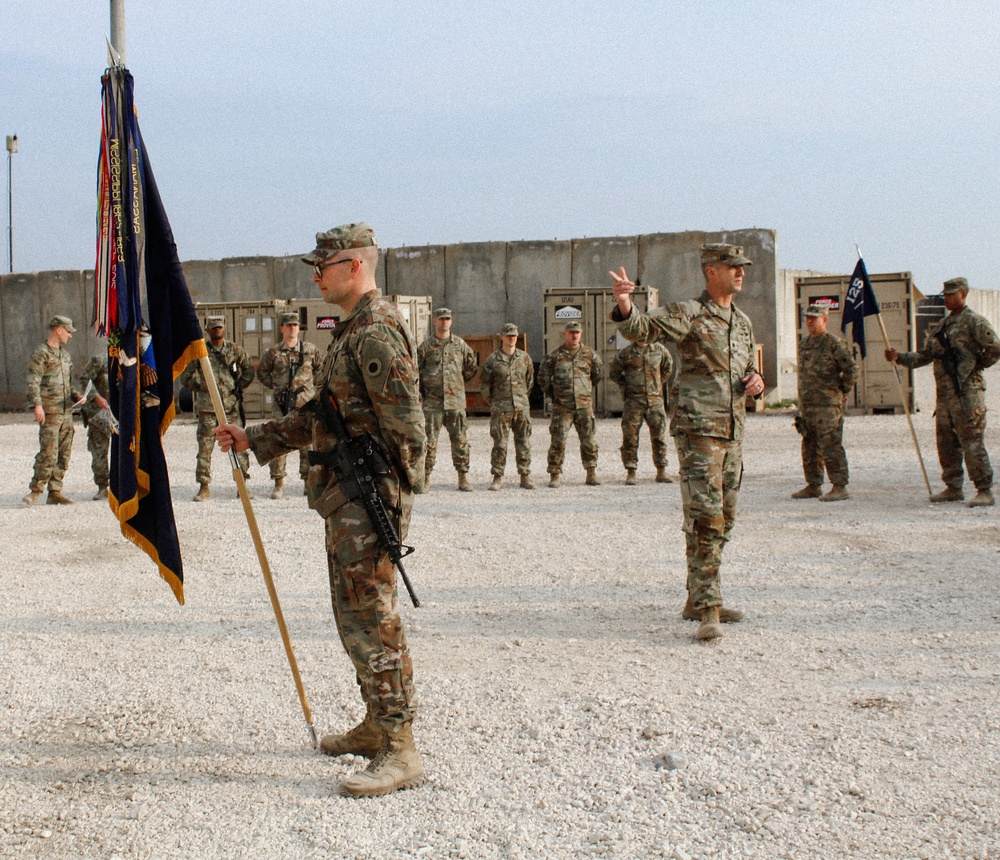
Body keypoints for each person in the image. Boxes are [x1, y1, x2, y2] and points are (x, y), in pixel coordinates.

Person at [214, 222, 426, 798]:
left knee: (372, 618)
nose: (315, 275)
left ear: (354, 266)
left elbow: (410, 428)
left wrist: (392, 497)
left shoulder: (378, 331)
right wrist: (253, 438)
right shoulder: (351, 332)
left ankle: (401, 748)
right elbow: (321, 416)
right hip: (347, 495)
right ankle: (377, 724)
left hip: (368, 497)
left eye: (323, 265)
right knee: (351, 614)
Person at [610, 244, 765, 641]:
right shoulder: (689, 314)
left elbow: (748, 369)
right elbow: (641, 330)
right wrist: (626, 304)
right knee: (705, 519)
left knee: (724, 519)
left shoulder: (743, 322)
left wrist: (757, 383)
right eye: (733, 267)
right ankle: (708, 607)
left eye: (742, 267)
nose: (741, 273)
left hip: (733, 434)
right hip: (700, 433)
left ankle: (697, 598)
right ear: (711, 271)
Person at [886, 277, 1000, 507]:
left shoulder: (974, 322)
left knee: (972, 442)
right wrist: (900, 358)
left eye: (952, 294)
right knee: (946, 443)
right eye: (945, 294)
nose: (947, 298)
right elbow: (926, 356)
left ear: (964, 294)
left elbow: (995, 348)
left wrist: (975, 366)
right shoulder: (942, 327)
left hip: (968, 394)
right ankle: (953, 487)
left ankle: (984, 490)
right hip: (946, 397)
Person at [24, 315, 106, 506]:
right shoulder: (42, 354)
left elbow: (68, 385)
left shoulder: (65, 356)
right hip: (51, 411)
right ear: (58, 330)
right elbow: (33, 381)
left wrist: (78, 396)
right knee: (48, 452)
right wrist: (37, 405)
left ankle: (55, 490)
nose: (70, 336)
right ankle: (35, 491)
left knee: (64, 453)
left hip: (66, 412)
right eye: (68, 332)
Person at [178, 316, 255, 501]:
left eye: (219, 327)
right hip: (208, 408)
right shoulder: (200, 351)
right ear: (207, 330)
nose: (216, 330)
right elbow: (185, 377)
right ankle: (204, 487)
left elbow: (249, 370)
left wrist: (235, 388)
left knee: (239, 446)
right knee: (205, 448)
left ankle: (242, 485)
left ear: (224, 329)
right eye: (213, 328)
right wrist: (203, 387)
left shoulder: (234, 350)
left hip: (230, 407)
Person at [791, 304, 859, 502]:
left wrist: (841, 391)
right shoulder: (804, 344)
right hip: (808, 405)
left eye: (814, 318)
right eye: (808, 318)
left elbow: (852, 370)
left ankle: (839, 486)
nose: (810, 321)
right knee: (809, 446)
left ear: (825, 320)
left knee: (831, 445)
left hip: (828, 406)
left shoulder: (833, 344)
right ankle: (813, 485)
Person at [256, 311, 322, 499]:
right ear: (282, 328)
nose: (292, 328)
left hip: (305, 405)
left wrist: (311, 389)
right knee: (278, 441)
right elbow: (262, 373)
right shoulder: (274, 352)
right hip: (281, 404)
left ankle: (308, 483)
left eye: (295, 325)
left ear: (299, 329)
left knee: (308, 444)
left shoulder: (310, 350)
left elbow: (322, 369)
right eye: (289, 325)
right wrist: (277, 388)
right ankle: (278, 482)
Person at [417, 308, 478, 491]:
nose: (444, 322)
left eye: (447, 319)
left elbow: (471, 367)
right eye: (441, 319)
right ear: (434, 321)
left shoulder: (460, 345)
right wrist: (425, 391)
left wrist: (456, 385)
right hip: (433, 404)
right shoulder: (425, 347)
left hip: (455, 403)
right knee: (428, 442)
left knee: (460, 440)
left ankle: (462, 477)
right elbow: (416, 372)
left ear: (451, 322)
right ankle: (425, 477)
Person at [537, 320, 603, 487]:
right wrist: (556, 396)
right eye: (571, 332)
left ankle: (591, 472)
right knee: (558, 441)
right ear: (565, 334)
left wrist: (584, 391)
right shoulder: (554, 356)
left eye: (577, 333)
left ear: (580, 334)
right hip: (562, 406)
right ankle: (555, 474)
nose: (574, 336)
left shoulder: (590, 354)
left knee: (588, 440)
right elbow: (543, 379)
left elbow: (597, 375)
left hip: (583, 406)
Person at [609, 336, 674, 485]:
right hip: (634, 401)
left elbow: (668, 368)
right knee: (630, 437)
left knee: (659, 436)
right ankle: (631, 471)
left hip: (655, 401)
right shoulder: (625, 353)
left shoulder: (659, 350)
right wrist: (626, 386)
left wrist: (656, 383)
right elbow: (614, 373)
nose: (643, 335)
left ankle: (661, 471)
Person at [480, 323, 535, 490]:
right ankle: (497, 477)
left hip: (521, 408)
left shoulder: (524, 358)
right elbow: (485, 385)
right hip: (501, 409)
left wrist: (522, 399)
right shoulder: (493, 359)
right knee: (500, 444)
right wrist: (496, 402)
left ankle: (525, 476)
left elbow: (529, 381)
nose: (511, 338)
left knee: (523, 442)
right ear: (502, 337)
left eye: (514, 335)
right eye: (508, 335)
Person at [79, 355, 113, 500]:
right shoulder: (100, 360)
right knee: (99, 450)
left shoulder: (132, 359)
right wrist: (96, 397)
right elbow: (85, 379)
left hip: (123, 412)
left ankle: (124, 486)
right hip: (99, 413)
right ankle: (102, 486)